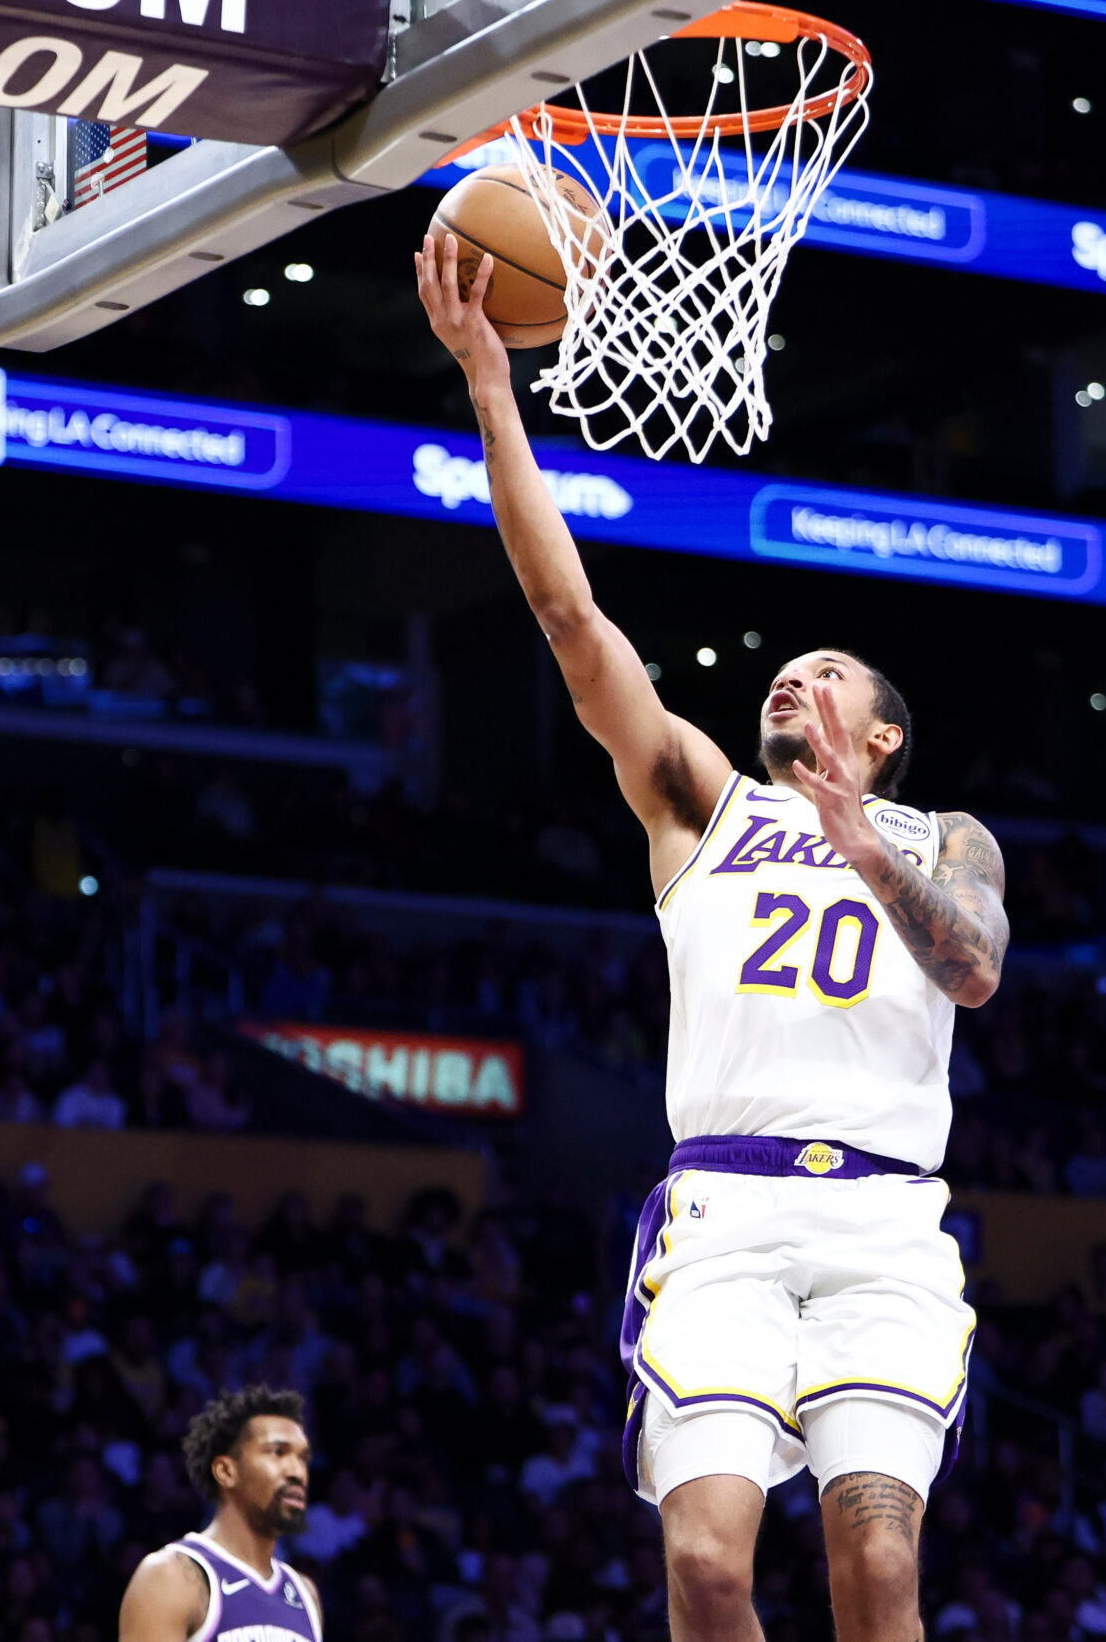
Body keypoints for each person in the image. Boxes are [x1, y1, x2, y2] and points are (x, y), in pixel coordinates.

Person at [416, 237, 1012, 1642]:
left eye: (823, 674)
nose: (787, 676)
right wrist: (495, 389)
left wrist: (868, 844)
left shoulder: (948, 835)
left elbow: (977, 967)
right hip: (727, 1214)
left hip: (884, 1225)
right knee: (707, 1570)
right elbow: (570, 618)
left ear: (878, 737)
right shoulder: (700, 797)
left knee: (874, 1572)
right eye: (779, 669)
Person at [119, 1386, 322, 1642]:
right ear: (226, 1471)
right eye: (278, 1453)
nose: (297, 1472)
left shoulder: (305, 1594)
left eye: (303, 1458)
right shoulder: (172, 1577)